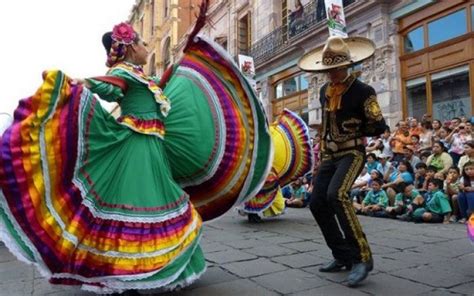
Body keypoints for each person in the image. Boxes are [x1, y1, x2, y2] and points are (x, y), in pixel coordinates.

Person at [0, 4, 273, 293]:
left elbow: (159, 83)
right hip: (137, 150)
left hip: (152, 148)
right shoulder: (124, 73)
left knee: (159, 209)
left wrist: (185, 53)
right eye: (142, 42)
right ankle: (128, 276)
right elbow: (111, 85)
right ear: (130, 47)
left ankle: (154, 272)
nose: (145, 46)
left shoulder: (139, 75)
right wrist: (83, 82)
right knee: (144, 209)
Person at [299, 36, 386, 287]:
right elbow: (327, 124)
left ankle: (362, 258)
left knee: (337, 195)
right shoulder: (325, 91)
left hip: (353, 153)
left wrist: (358, 127)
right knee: (316, 202)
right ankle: (342, 255)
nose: (330, 75)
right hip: (330, 154)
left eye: (334, 70)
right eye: (327, 70)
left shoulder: (363, 91)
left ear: (346, 66)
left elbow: (378, 126)